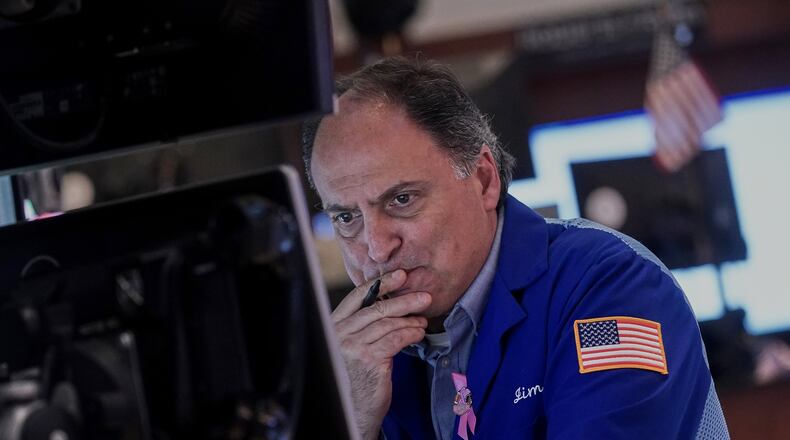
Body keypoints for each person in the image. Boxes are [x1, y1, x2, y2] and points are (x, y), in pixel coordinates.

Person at [302, 56, 729, 440]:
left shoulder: (611, 286)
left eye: (402, 200)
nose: (376, 248)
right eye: (345, 218)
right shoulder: (356, 360)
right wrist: (349, 421)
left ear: (484, 179)